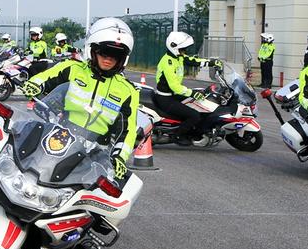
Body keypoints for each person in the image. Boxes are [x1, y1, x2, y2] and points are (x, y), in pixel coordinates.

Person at [22, 17, 139, 181]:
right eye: (105, 52)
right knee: (30, 172)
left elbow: (128, 130)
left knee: (92, 195)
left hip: (97, 150)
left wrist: (120, 157)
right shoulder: (72, 69)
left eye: (116, 55)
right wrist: (34, 85)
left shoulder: (128, 91)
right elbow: (45, 77)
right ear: (92, 50)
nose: (109, 58)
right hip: (61, 135)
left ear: (122, 58)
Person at [155, 31, 221, 146]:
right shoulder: (168, 63)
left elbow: (193, 61)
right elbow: (174, 87)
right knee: (193, 115)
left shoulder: (178, 57)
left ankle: (196, 131)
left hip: (173, 95)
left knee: (200, 102)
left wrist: (211, 62)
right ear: (174, 47)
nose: (185, 51)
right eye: (183, 49)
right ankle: (178, 136)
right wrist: (192, 93)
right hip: (165, 98)